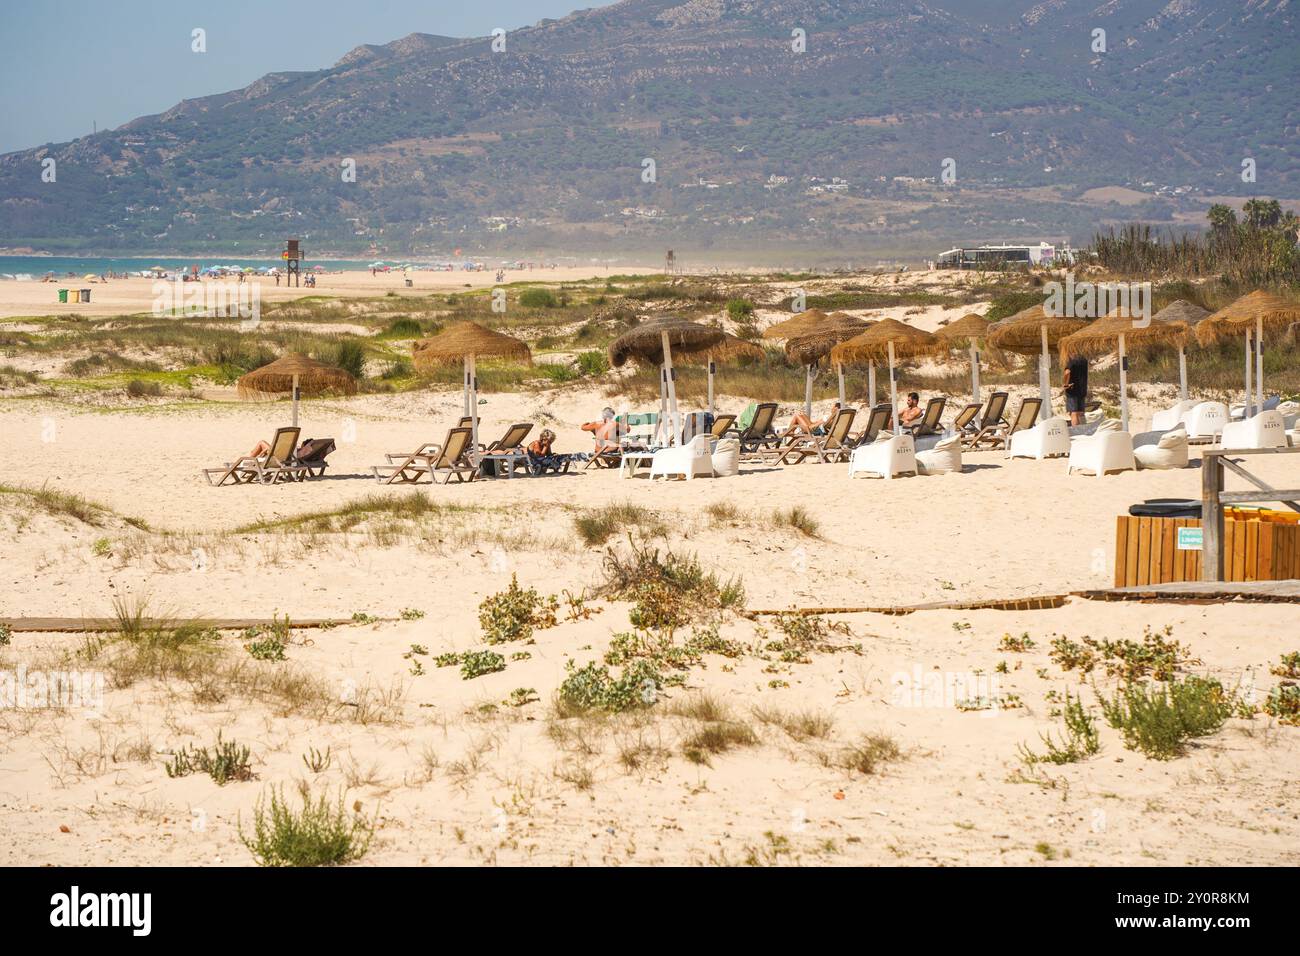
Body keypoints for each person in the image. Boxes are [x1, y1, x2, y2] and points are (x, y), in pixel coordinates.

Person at [1063, 355, 1089, 426]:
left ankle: (1077, 432)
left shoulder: (1071, 360)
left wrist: (1065, 384)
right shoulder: (1084, 360)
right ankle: (1084, 431)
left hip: (1072, 390)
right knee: (1081, 413)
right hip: (1082, 390)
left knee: (1073, 413)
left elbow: (1067, 372)